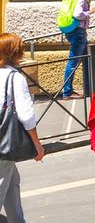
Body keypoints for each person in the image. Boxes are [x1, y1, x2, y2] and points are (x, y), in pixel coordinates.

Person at [0, 33, 43, 221]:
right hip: (3, 144)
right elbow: (26, 115)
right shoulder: (14, 78)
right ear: (14, 53)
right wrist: (37, 144)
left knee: (12, 183)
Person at [57, 0, 95, 98]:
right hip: (78, 32)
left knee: (85, 58)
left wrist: (90, 0)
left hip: (73, 30)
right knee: (73, 61)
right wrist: (90, 12)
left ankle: (90, 88)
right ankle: (67, 92)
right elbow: (78, 14)